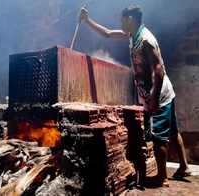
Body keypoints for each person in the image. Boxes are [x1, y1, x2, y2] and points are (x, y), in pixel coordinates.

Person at [79, 4, 191, 187]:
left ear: (130, 19)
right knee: (173, 131)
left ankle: (162, 177)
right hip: (165, 93)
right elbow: (107, 33)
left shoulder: (145, 40)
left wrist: (153, 100)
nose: (120, 24)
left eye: (122, 20)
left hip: (159, 95)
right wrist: (87, 20)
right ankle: (184, 167)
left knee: (158, 137)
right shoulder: (132, 34)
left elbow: (159, 69)